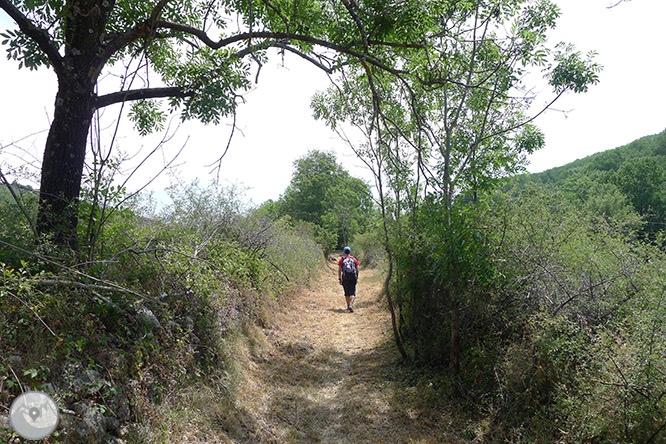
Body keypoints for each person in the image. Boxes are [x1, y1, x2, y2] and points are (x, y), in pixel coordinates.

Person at [338, 246, 359, 312]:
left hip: (345, 278)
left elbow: (339, 269)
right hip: (353, 278)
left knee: (346, 292)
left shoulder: (342, 259)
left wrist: (339, 278)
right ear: (350, 252)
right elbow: (357, 269)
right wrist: (357, 277)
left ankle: (348, 306)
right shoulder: (354, 259)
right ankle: (351, 304)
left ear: (344, 252)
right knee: (352, 292)